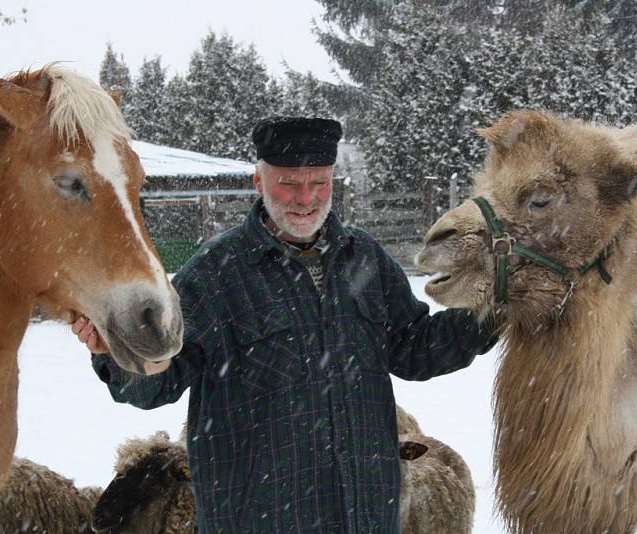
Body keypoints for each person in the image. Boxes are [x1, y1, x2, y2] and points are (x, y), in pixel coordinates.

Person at [72, 116, 497, 533]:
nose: (306, 198)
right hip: (258, 517)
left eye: (319, 182)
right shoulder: (216, 273)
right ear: (259, 182)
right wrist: (116, 351)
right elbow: (158, 382)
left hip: (364, 513)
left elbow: (415, 348)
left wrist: (495, 309)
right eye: (289, 183)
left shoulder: (364, 258)